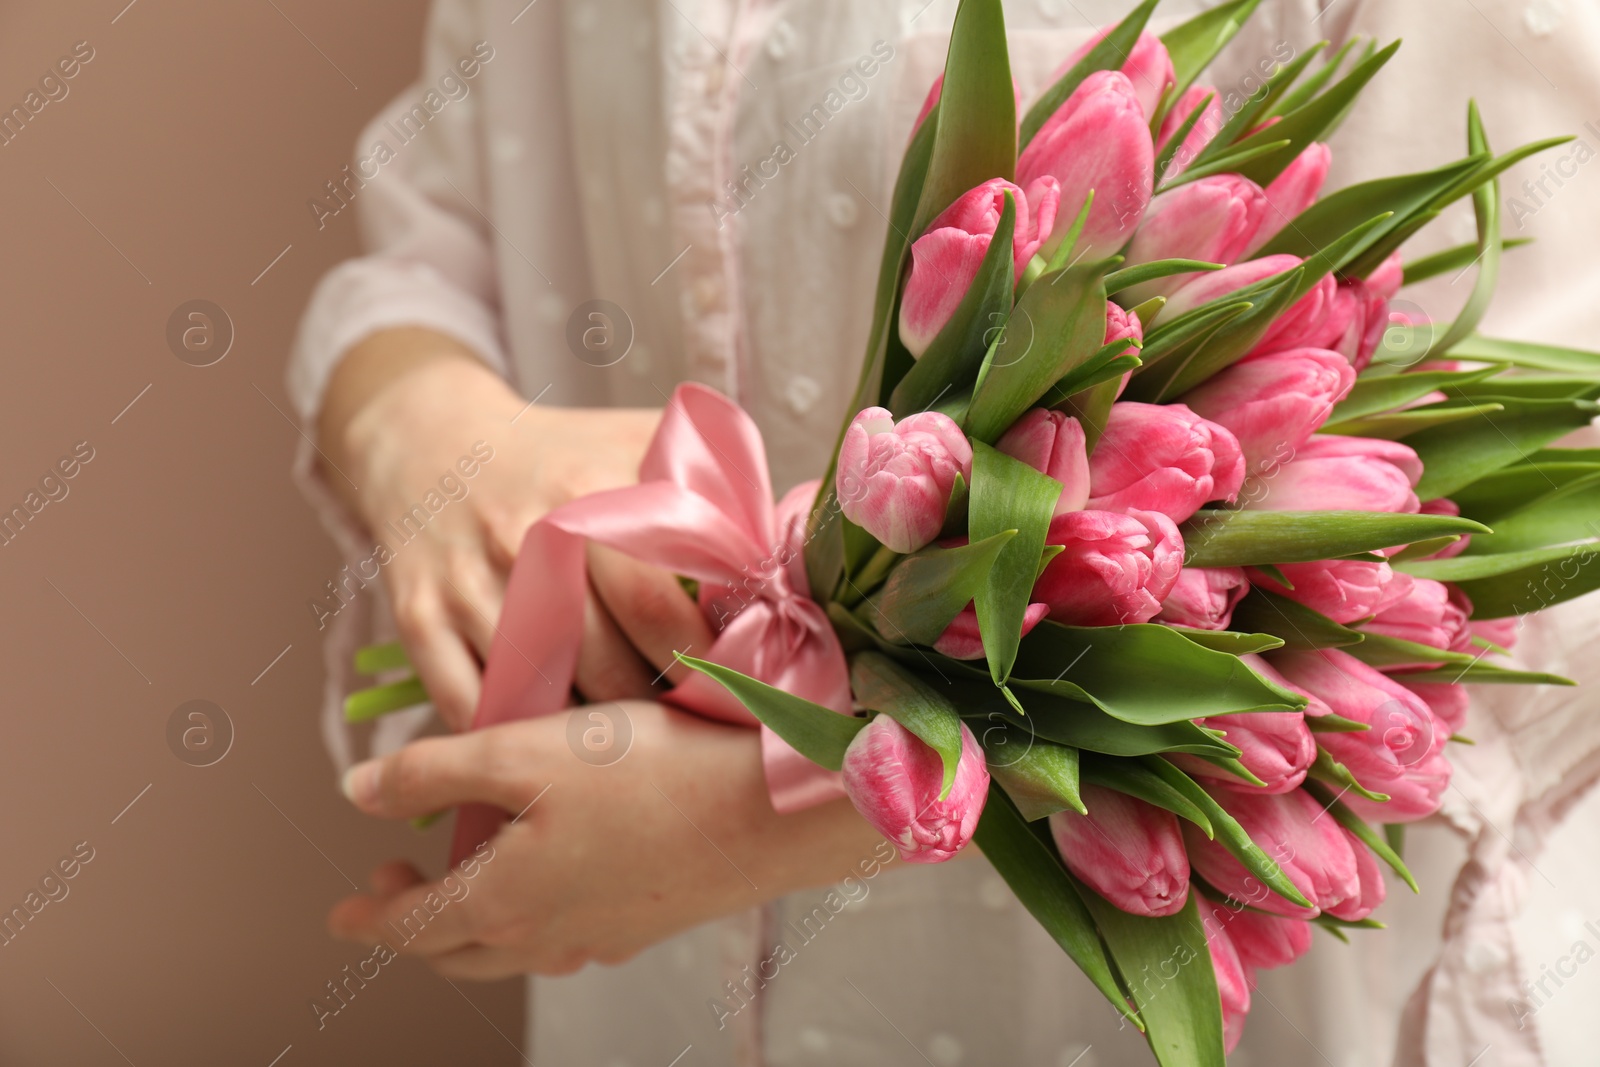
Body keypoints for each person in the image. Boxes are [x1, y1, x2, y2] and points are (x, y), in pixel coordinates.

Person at [290, 0, 1600, 1062]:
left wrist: (768, 813)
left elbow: (1505, 518)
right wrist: (415, 419)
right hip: (633, 1000)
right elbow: (448, 219)